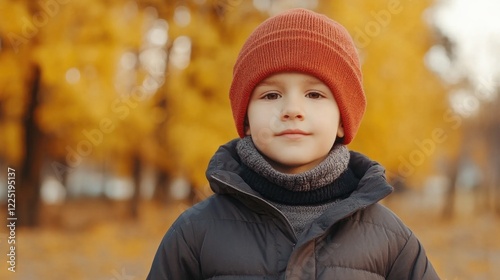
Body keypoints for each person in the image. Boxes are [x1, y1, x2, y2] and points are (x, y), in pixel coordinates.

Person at [147, 8, 439, 280]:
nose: (292, 109)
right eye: (271, 95)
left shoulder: (391, 242)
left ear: (342, 121)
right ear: (246, 119)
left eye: (315, 95)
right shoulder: (195, 234)